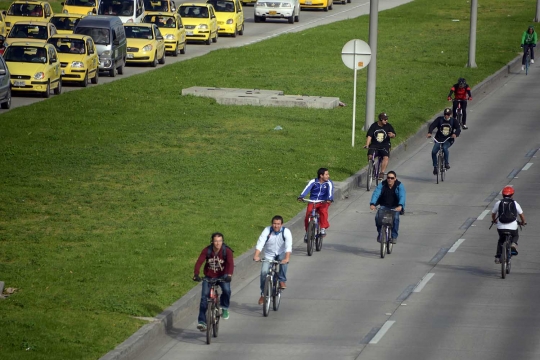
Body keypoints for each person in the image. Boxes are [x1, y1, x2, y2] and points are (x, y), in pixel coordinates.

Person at [193, 232, 234, 331]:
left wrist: (229, 275)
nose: (218, 243)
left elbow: (230, 264)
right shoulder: (207, 250)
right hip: (209, 276)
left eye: (220, 241)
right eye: (215, 241)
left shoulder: (227, 251)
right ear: (212, 242)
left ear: (222, 241)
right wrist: (196, 274)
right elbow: (199, 262)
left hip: (222, 275)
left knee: (226, 290)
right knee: (204, 298)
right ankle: (202, 321)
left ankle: (224, 307)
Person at [253, 215, 292, 305]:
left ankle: (282, 280)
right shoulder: (267, 230)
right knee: (264, 272)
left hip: (281, 253)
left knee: (284, 263)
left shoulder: (286, 232)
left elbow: (288, 246)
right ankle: (263, 294)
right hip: (269, 254)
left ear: (281, 224)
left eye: (278, 224)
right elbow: (261, 242)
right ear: (272, 224)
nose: (276, 226)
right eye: (274, 223)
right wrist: (256, 255)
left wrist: (286, 258)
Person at [491, 186, 526, 264]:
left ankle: (498, 256)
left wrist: (494, 220)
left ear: (503, 195)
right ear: (512, 195)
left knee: (501, 240)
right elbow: (521, 215)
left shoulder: (499, 203)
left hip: (501, 226)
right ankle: (513, 243)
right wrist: (523, 222)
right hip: (512, 226)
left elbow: (493, 214)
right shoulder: (515, 203)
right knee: (515, 235)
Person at [369, 171, 406, 244]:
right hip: (384, 206)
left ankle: (394, 236)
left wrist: (400, 206)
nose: (390, 179)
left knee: (395, 218)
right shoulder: (382, 184)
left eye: (392, 178)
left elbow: (402, 196)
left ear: (395, 179)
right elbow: (376, 193)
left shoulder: (399, 185)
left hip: (395, 207)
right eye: (388, 178)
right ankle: (380, 234)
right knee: (377, 218)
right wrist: (372, 204)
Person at [298, 168, 334, 240]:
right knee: (308, 215)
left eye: (328, 174)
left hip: (323, 201)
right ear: (321, 175)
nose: (328, 176)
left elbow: (330, 191)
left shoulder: (329, 182)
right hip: (313, 201)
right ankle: (308, 232)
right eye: (326, 174)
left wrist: (329, 199)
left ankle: (322, 228)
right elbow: (307, 189)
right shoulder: (313, 181)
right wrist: (301, 196)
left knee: (323, 212)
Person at [427, 107, 461, 175]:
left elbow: (458, 128)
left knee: (445, 148)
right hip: (438, 139)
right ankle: (435, 167)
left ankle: (446, 163)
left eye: (448, 114)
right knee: (433, 152)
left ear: (450, 115)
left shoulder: (453, 121)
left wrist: (455, 134)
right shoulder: (440, 119)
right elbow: (432, 125)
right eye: (445, 114)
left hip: (448, 139)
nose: (446, 116)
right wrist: (430, 132)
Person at [364, 112, 396, 180]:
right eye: (385, 119)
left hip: (385, 145)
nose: (386, 120)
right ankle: (371, 167)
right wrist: (367, 144)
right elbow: (369, 135)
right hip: (375, 145)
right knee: (370, 155)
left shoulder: (388, 126)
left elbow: (394, 134)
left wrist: (392, 135)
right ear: (381, 119)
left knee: (385, 157)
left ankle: (382, 172)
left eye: (387, 119)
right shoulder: (374, 126)